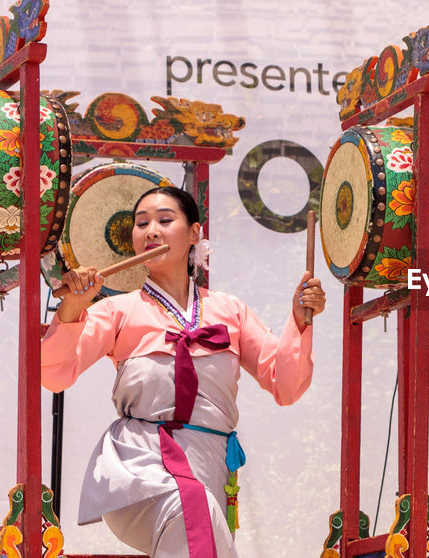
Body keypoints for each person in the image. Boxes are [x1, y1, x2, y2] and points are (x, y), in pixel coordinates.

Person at [41, 186, 325, 557]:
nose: (151, 232)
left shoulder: (230, 310)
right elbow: (53, 374)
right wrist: (72, 309)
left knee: (201, 521)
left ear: (194, 233)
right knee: (192, 505)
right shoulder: (118, 311)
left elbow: (286, 384)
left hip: (211, 464)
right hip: (141, 468)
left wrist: (300, 321)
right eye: (141, 224)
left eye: (164, 220)